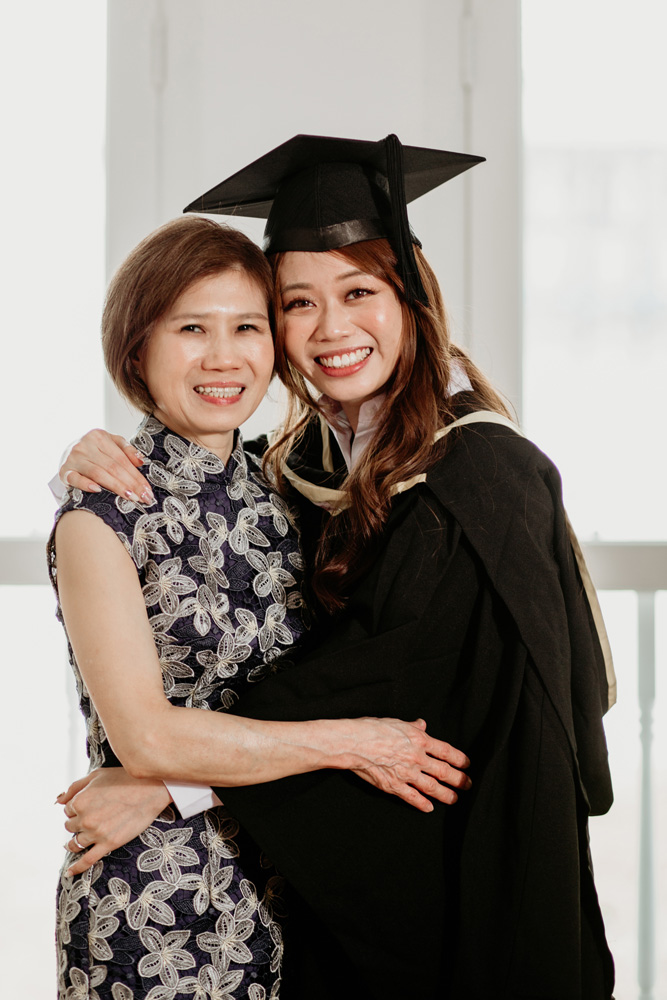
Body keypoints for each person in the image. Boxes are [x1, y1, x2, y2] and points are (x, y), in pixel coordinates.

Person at [56, 135, 616, 999]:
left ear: (411, 298)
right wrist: (79, 463)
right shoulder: (298, 474)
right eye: (297, 304)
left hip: (455, 898)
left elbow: (388, 685)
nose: (330, 330)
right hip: (259, 903)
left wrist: (170, 783)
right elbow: (320, 689)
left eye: (359, 292)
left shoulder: (477, 476)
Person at [48, 212, 472, 1000]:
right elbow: (147, 735)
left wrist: (175, 781)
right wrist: (352, 744)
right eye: (190, 329)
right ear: (136, 348)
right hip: (157, 901)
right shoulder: (98, 515)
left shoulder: (289, 487)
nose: (223, 356)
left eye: (247, 325)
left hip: (301, 882)